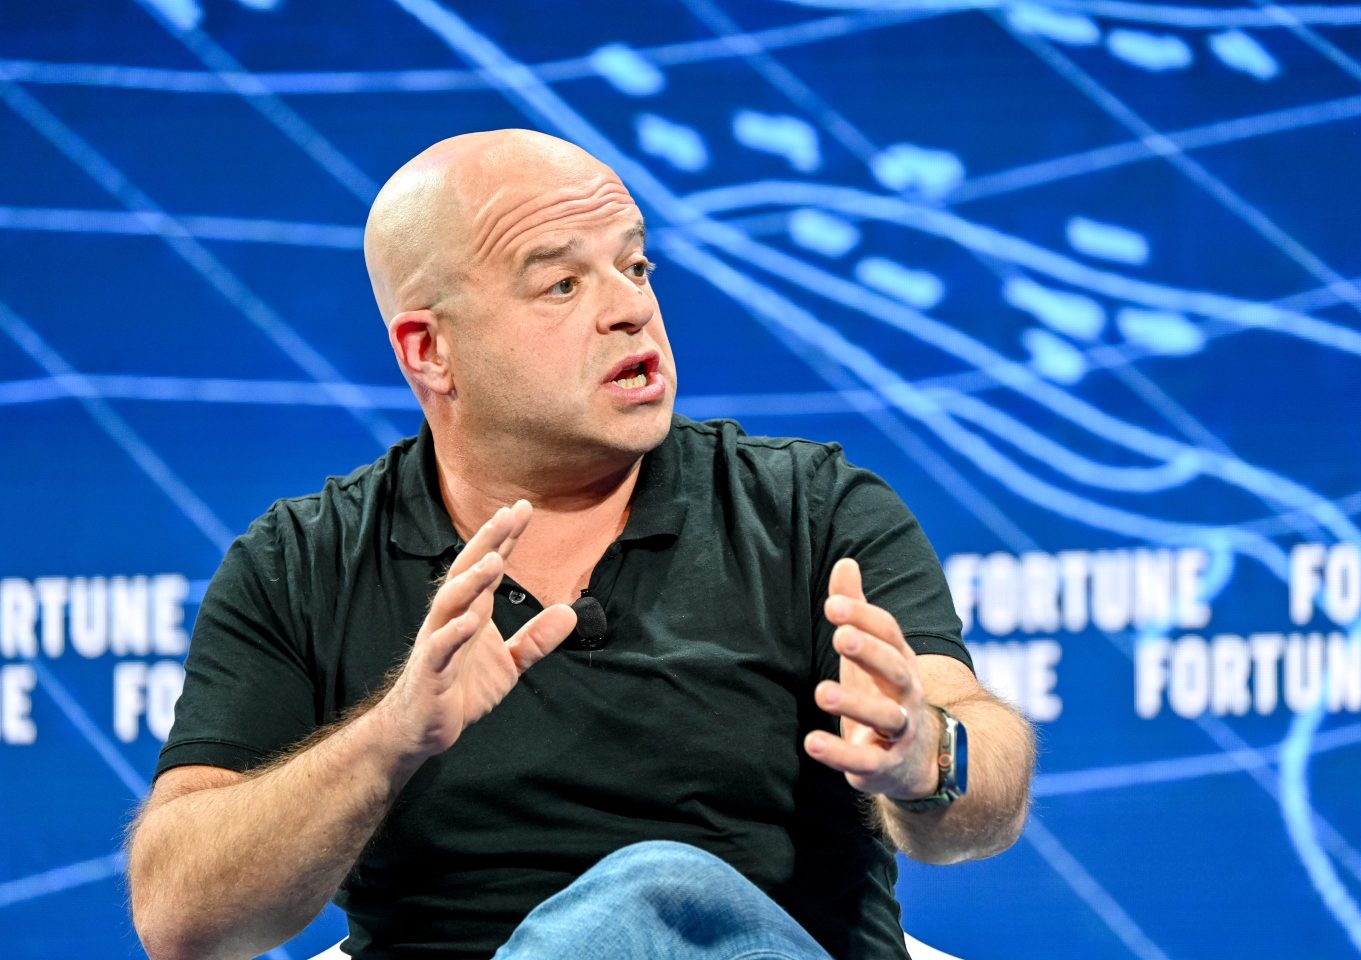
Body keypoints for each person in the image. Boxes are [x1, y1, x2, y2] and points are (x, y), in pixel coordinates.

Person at [126, 130, 1035, 960]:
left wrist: (928, 755)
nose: (631, 308)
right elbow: (179, 919)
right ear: (429, 352)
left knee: (653, 898)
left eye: (635, 266)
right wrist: (390, 738)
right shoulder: (302, 565)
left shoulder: (808, 510)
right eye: (562, 283)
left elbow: (981, 782)